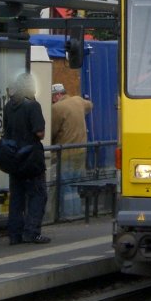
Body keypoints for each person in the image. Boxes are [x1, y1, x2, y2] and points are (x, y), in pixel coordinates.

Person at [4, 72, 49, 244]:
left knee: (17, 197)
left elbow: (6, 131)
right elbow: (40, 132)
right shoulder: (32, 106)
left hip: (14, 158)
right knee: (38, 194)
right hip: (31, 158)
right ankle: (32, 232)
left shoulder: (9, 106)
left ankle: (14, 234)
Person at [50, 83, 92, 217]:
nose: (52, 100)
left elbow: (52, 131)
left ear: (57, 95)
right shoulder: (78, 101)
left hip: (66, 152)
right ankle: (77, 213)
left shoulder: (57, 108)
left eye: (52, 97)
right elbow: (90, 105)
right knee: (74, 185)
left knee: (66, 186)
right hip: (81, 151)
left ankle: (68, 215)